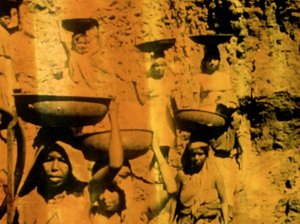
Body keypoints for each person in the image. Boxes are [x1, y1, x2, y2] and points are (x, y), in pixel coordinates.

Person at [15, 99, 123, 224]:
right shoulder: (27, 203)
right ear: (39, 165)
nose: (54, 167)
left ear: (72, 164)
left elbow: (115, 164)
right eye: (49, 160)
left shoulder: (85, 194)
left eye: (62, 160)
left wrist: (113, 118)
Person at [122, 134, 178, 224]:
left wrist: (157, 151)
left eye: (125, 176)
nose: (122, 182)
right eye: (123, 177)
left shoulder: (141, 209)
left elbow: (171, 189)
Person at [175, 139, 229, 224]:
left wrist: (225, 221)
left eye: (200, 154)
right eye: (193, 155)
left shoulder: (215, 176)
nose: (196, 158)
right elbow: (173, 201)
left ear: (207, 155)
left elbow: (224, 202)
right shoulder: (182, 176)